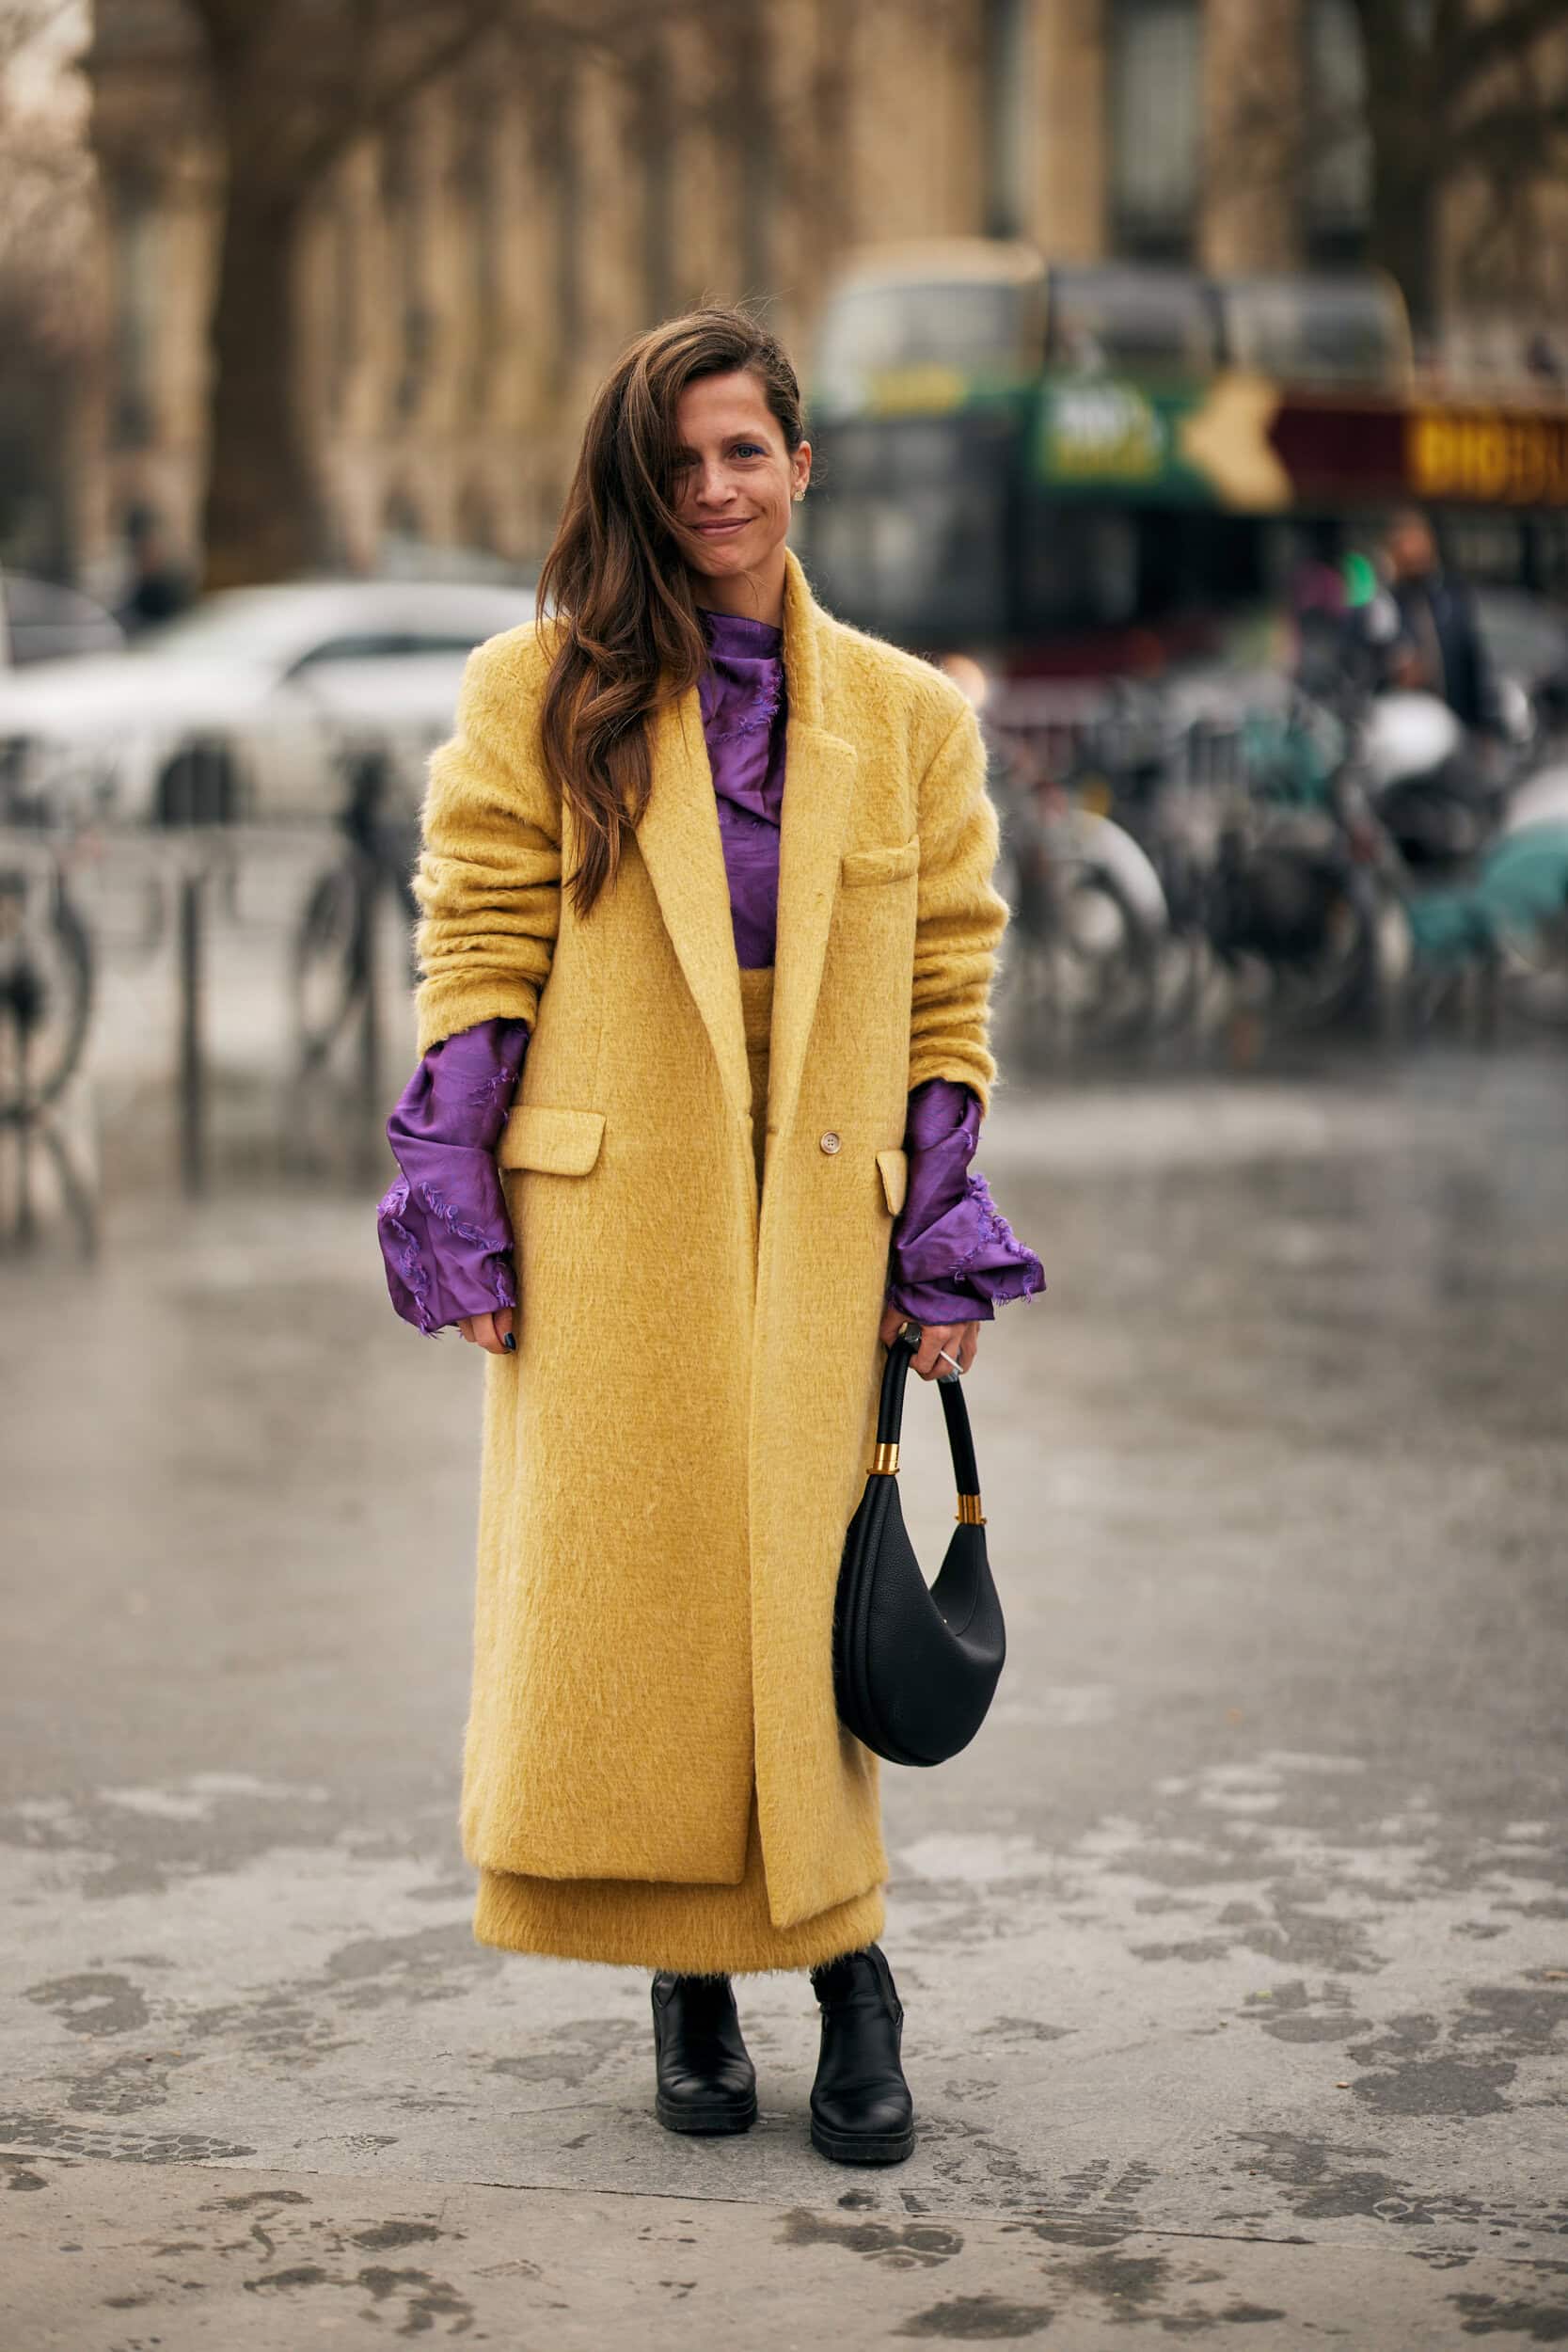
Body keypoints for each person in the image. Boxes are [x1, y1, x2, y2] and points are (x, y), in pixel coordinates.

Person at [375, 307, 1043, 2167]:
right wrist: (447, 1169)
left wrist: (940, 1220)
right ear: (636, 486)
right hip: (612, 1215)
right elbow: (479, 928)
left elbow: (943, 981)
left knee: (802, 1592)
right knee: (654, 1603)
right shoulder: (539, 684)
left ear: (800, 465)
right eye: (676, 462)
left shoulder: (908, 717)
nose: (712, 487)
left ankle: (848, 1975)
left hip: (821, 1206)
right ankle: (683, 1980)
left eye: (742, 450)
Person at [1366, 507, 1500, 735]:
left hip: (1458, 724)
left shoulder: (1453, 596)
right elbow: (1368, 666)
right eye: (1402, 546)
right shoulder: (1384, 605)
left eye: (1417, 542)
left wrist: (1484, 724)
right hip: (1409, 730)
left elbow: (1473, 664)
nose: (1411, 554)